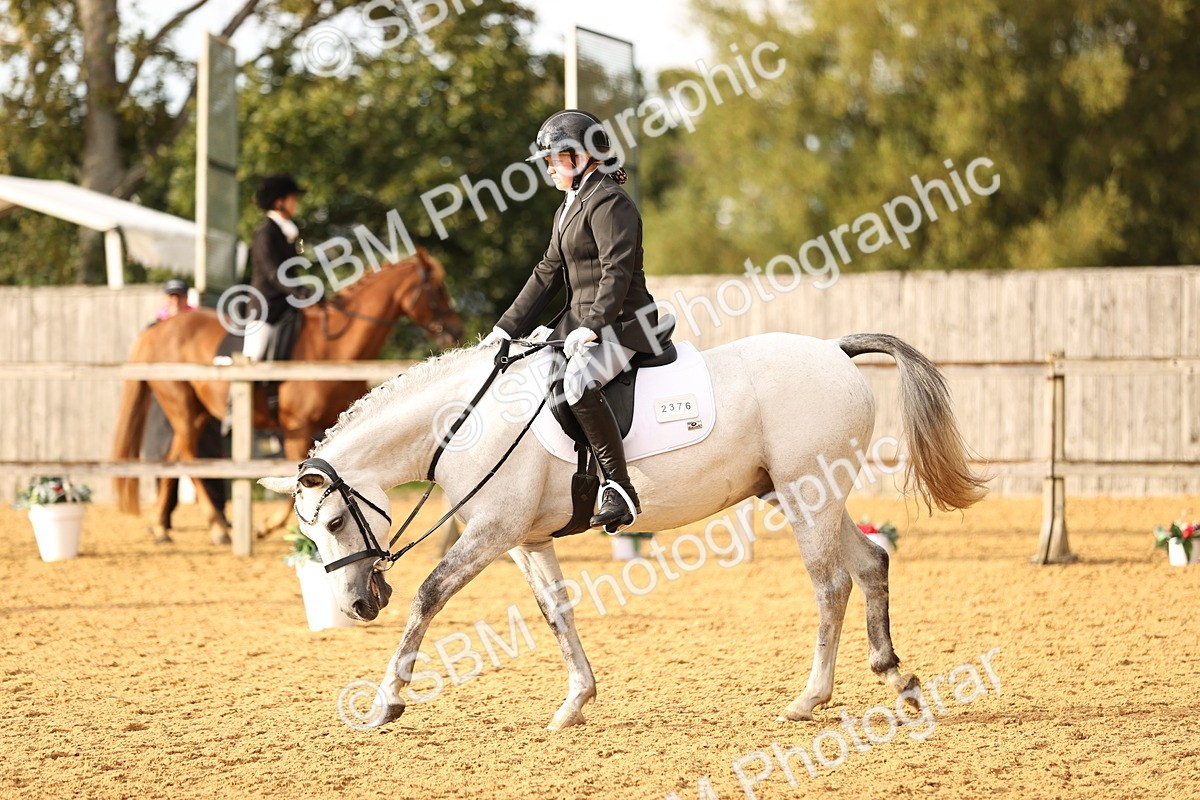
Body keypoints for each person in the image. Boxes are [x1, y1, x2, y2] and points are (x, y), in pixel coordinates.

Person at [482, 109, 668, 531]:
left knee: (579, 385)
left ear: (582, 156)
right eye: (547, 161)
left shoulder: (609, 202)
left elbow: (615, 272)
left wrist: (593, 325)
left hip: (622, 323)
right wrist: (504, 329)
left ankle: (620, 489)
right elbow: (547, 272)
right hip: (581, 323)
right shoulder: (570, 206)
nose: (549, 169)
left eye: (555, 160)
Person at [142, 279, 227, 538]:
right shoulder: (155, 328)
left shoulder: (200, 326)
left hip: (199, 400)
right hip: (166, 402)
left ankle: (217, 512)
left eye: (179, 296)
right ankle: (165, 513)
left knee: (205, 452)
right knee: (166, 453)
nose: (175, 301)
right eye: (171, 296)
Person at [244, 173, 310, 361]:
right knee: (254, 356)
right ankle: (239, 389)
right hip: (266, 308)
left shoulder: (288, 231)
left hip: (289, 307)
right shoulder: (265, 232)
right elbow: (274, 273)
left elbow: (292, 270)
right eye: (293, 199)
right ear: (279, 202)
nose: (296, 203)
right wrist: (300, 291)